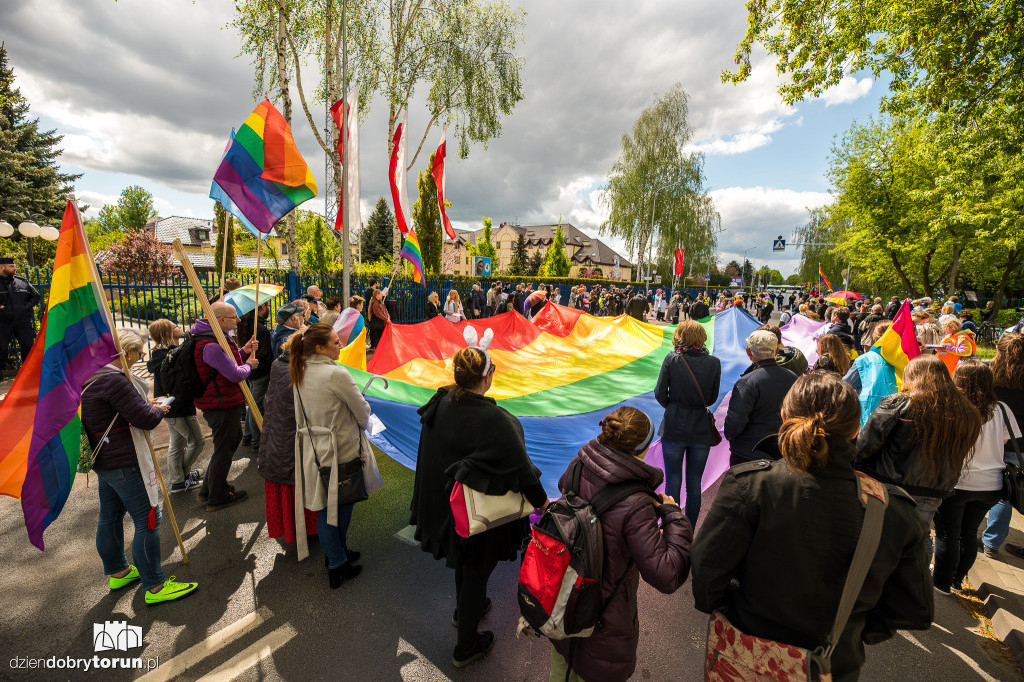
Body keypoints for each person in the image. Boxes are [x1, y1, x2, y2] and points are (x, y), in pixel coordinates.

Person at [692, 372, 933, 681]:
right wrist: (850, 628)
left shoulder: (750, 486)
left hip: (745, 655)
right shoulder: (893, 511)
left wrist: (735, 611)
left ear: (783, 417)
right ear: (856, 429)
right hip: (832, 665)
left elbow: (707, 571)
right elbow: (914, 610)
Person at [410, 341, 547, 668]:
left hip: (448, 507)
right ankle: (466, 646)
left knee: (468, 566)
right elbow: (523, 472)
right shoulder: (494, 419)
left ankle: (465, 611)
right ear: (486, 378)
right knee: (475, 572)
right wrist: (545, 506)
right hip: (476, 515)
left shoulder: (442, 400)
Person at [549, 407, 692, 681]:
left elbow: (565, 491)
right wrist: (673, 515)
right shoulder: (636, 502)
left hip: (564, 597)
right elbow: (667, 574)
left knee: (563, 667)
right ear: (644, 448)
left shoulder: (578, 465)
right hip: (604, 618)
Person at [82, 328, 199, 604]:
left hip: (105, 459)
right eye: (137, 351)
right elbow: (145, 419)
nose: (140, 356)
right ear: (126, 352)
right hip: (126, 459)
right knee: (148, 519)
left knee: (109, 516)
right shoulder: (115, 381)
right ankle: (155, 586)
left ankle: (119, 570)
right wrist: (160, 409)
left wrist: (147, 407)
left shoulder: (91, 377)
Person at [856, 354, 982, 558]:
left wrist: (857, 467)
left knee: (880, 534)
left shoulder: (900, 402)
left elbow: (867, 442)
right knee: (919, 535)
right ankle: (917, 582)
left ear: (912, 376)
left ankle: (877, 578)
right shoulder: (967, 412)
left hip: (890, 484)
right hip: (934, 489)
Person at [291, 324, 372, 587]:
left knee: (329, 504)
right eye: (336, 342)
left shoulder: (299, 369)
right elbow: (362, 412)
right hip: (341, 447)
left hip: (314, 448)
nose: (340, 345)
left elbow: (299, 414)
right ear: (320, 348)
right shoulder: (335, 373)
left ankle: (336, 553)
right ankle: (336, 562)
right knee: (338, 505)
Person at [933, 360, 1022, 594]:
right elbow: (1004, 443)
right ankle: (956, 579)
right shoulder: (1002, 409)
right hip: (990, 484)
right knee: (968, 533)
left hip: (956, 480)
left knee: (947, 533)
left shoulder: (950, 406)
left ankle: (941, 581)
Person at [191, 301, 259, 511]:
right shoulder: (210, 344)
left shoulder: (215, 338)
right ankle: (217, 496)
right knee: (224, 449)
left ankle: (209, 489)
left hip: (221, 400)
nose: (238, 320)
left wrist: (243, 351)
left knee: (224, 446)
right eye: (233, 317)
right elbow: (233, 373)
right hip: (220, 403)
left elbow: (226, 362)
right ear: (220, 320)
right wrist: (249, 365)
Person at [655, 320, 722, 526]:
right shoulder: (713, 362)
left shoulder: (672, 359)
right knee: (694, 484)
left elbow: (659, 393)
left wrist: (673, 406)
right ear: (702, 338)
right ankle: (690, 529)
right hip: (700, 428)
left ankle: (672, 527)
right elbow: (711, 399)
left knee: (673, 482)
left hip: (674, 425)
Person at [258, 329, 319, 547]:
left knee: (288, 482)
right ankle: (308, 530)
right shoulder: (305, 370)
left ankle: (295, 529)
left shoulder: (279, 364)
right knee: (299, 481)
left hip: (277, 436)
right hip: (292, 439)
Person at [723, 330, 798, 466]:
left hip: (750, 452)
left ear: (748, 352)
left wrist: (730, 435)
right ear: (776, 351)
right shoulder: (792, 377)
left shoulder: (748, 382)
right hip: (783, 449)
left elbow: (735, 422)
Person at [147, 319, 203, 493]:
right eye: (174, 327)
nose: (179, 328)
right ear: (166, 334)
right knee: (197, 442)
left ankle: (179, 478)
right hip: (174, 405)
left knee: (178, 443)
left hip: (176, 404)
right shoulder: (169, 356)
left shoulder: (165, 354)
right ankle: (180, 478)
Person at [982, 334, 1024, 557]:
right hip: (1020, 445)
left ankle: (987, 540)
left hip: (995, 439)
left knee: (999, 491)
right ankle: (992, 542)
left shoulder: (992, 376)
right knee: (1013, 489)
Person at [843, 320, 898, 424]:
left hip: (870, 416)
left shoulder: (865, 359)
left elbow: (846, 384)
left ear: (874, 337)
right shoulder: (906, 359)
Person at [238, 303, 273, 452]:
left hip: (252, 372)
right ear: (261, 308)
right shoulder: (260, 329)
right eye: (267, 306)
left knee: (252, 403)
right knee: (256, 407)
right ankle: (256, 440)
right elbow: (263, 354)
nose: (269, 309)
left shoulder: (249, 325)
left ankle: (247, 435)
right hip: (260, 372)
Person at [0, 256, 40, 377]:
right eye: (11, 266)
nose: (14, 268)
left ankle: (29, 374)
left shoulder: (22, 281)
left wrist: (26, 307)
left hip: (23, 321)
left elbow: (35, 297)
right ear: (2, 267)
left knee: (28, 346)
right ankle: (1, 375)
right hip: (2, 322)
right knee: (1, 348)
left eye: (14, 266)